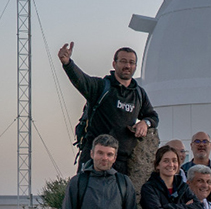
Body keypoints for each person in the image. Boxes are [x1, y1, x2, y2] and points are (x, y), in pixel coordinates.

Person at [58, 43, 157, 174]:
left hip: (121, 161)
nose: (127, 66)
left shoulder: (139, 94)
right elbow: (81, 80)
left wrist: (145, 122)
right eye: (123, 61)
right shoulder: (101, 87)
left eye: (131, 62)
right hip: (93, 159)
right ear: (114, 64)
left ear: (135, 66)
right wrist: (67, 63)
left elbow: (153, 116)